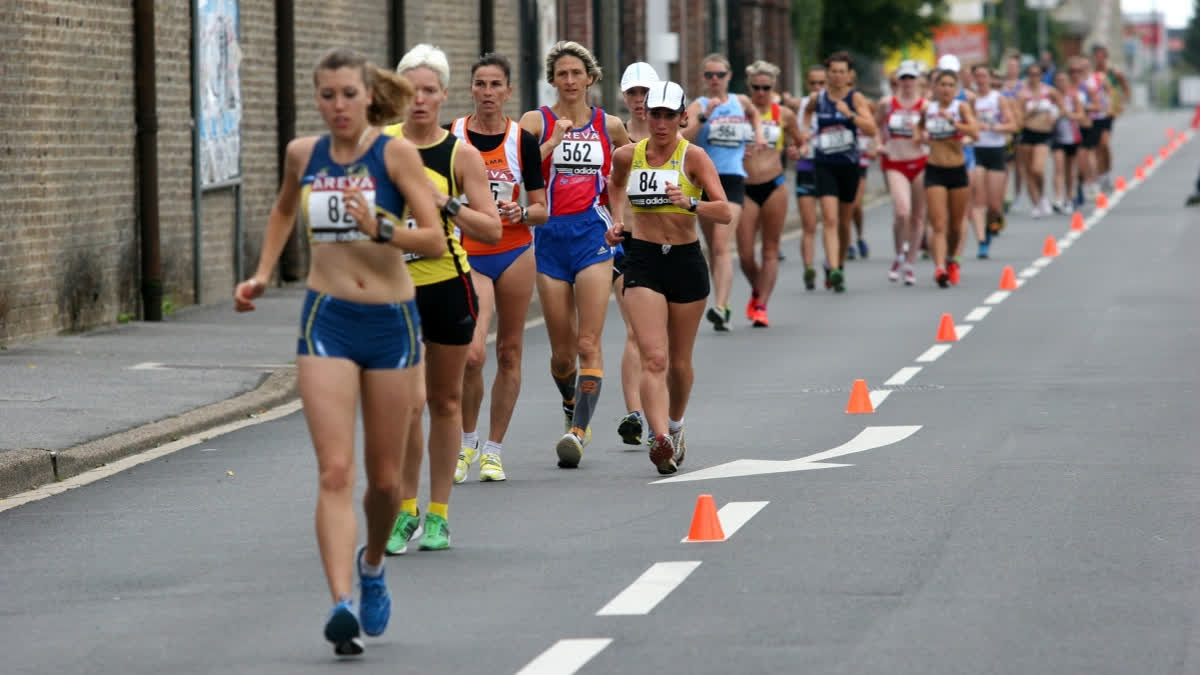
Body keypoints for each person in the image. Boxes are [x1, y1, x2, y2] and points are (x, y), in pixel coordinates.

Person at [234, 47, 445, 656]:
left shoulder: (394, 153)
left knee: (383, 482)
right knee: (334, 470)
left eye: (348, 95)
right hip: (326, 317)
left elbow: (433, 236)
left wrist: (383, 228)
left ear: (368, 96)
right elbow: (280, 210)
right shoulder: (305, 154)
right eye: (327, 96)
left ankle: (373, 562)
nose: (337, 107)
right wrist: (261, 274)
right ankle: (340, 603)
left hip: (391, 321)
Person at [383, 44, 502, 554]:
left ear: (443, 96)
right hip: (393, 290)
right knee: (408, 406)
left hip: (446, 285)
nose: (419, 100)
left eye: (429, 91)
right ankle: (403, 511)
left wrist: (445, 203)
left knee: (446, 400)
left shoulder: (460, 154)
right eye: (410, 91)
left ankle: (438, 514)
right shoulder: (380, 147)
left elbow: (492, 229)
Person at [606, 81, 731, 474]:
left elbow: (725, 210)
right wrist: (617, 221)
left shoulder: (693, 157)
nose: (660, 123)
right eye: (654, 114)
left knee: (678, 361)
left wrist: (690, 202)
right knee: (654, 356)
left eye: (667, 116)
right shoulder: (629, 155)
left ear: (682, 118)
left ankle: (675, 425)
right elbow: (614, 185)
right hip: (642, 260)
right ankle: (659, 439)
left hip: (685, 261)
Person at [518, 41, 630, 468]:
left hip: (592, 234)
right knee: (562, 352)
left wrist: (624, 218)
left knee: (589, 342)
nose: (569, 81)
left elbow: (629, 171)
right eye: (561, 74)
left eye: (576, 74)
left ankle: (577, 432)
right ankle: (570, 401)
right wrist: (552, 142)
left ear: (590, 78)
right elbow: (518, 168)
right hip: (549, 236)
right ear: (552, 80)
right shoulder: (535, 121)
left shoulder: (611, 125)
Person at [451, 53, 549, 485]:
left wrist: (521, 212)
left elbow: (543, 208)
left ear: (509, 92)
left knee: (509, 351)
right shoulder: (452, 137)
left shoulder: (522, 141)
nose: (487, 93)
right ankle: (465, 442)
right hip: (469, 251)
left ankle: (493, 450)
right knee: (472, 354)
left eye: (495, 85)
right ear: (470, 89)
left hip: (514, 250)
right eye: (480, 84)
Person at [682, 53, 765, 329]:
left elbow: (754, 114)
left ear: (729, 76)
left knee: (720, 245)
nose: (715, 80)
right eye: (709, 75)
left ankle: (720, 306)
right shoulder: (699, 105)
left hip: (732, 180)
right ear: (704, 79)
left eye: (719, 74)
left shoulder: (740, 102)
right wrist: (705, 116)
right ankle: (723, 305)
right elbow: (683, 136)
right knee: (713, 249)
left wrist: (758, 136)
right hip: (704, 181)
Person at [612, 61, 660, 446]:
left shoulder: (674, 138)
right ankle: (634, 414)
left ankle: (657, 409)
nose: (640, 100)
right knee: (633, 331)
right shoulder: (616, 137)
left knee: (657, 339)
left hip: (663, 243)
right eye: (633, 93)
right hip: (625, 240)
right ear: (624, 97)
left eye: (646, 93)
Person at [802, 51, 877, 293]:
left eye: (841, 72)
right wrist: (804, 135)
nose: (837, 76)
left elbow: (872, 129)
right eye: (833, 71)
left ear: (849, 75)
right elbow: (806, 114)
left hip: (849, 166)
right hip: (824, 164)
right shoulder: (819, 99)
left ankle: (840, 265)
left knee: (844, 223)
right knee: (830, 219)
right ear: (828, 74)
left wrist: (850, 115)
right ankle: (833, 268)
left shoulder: (856, 99)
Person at [738, 60, 803, 327]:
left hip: (774, 183)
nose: (761, 92)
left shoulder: (783, 114)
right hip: (745, 185)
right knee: (744, 254)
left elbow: (800, 141)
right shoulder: (740, 112)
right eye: (756, 87)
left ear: (773, 87)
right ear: (749, 86)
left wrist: (795, 151)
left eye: (766, 87)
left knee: (770, 250)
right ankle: (758, 290)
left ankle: (762, 305)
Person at [917, 68, 978, 287]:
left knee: (954, 226)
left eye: (950, 85)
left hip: (957, 169)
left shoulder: (960, 107)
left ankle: (952, 258)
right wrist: (920, 136)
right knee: (939, 224)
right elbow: (919, 128)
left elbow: (975, 132)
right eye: (942, 85)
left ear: (956, 89)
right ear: (935, 88)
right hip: (934, 169)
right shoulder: (928, 108)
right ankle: (940, 268)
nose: (946, 89)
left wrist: (953, 123)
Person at [877, 60, 927, 285]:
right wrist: (878, 144)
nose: (907, 83)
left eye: (911, 78)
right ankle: (899, 254)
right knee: (902, 211)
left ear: (917, 81)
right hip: (895, 161)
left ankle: (911, 263)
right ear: (898, 80)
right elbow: (875, 127)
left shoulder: (925, 106)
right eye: (903, 78)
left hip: (920, 162)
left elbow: (933, 130)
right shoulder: (887, 103)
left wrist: (925, 136)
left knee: (917, 216)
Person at [970, 63, 1020, 258]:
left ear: (990, 79)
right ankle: (982, 241)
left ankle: (992, 224)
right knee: (978, 201)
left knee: (994, 205)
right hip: (977, 150)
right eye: (977, 76)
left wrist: (995, 128)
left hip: (996, 149)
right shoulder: (971, 100)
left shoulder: (997, 99)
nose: (981, 80)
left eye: (984, 76)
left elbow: (1013, 125)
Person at [786, 65, 826, 290]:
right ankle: (809, 268)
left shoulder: (834, 106)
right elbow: (792, 142)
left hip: (830, 169)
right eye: (813, 84)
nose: (817, 88)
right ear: (807, 85)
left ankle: (832, 264)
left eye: (822, 84)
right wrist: (794, 151)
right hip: (806, 168)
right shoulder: (800, 109)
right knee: (809, 225)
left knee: (832, 221)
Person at [1016, 63, 1062, 218]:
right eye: (1031, 74)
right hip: (1027, 133)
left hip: (1043, 134)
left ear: (1041, 76)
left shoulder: (1049, 91)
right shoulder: (1022, 94)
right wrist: (1030, 112)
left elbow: (1061, 106)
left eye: (1037, 74)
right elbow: (1018, 118)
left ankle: (1042, 196)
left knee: (1038, 169)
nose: (1034, 77)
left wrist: (1054, 115)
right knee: (1028, 171)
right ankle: (1035, 203)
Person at [1089, 44, 1130, 192]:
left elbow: (1125, 88)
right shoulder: (1091, 74)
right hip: (1093, 113)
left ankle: (1106, 172)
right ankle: (1101, 176)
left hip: (1108, 112)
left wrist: (1122, 103)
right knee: (1096, 147)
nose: (1099, 59)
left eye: (1102, 56)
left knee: (1104, 143)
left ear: (1106, 57)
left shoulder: (1113, 72)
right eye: (1097, 56)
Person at [1050, 70, 1087, 214]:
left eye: (1064, 80)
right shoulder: (1052, 98)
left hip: (1072, 136)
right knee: (1058, 166)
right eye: (1058, 80)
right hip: (1057, 136)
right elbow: (1048, 117)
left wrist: (1068, 114)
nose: (1061, 83)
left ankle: (1069, 197)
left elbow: (1080, 114)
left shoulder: (1073, 97)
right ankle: (1058, 198)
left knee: (1069, 169)